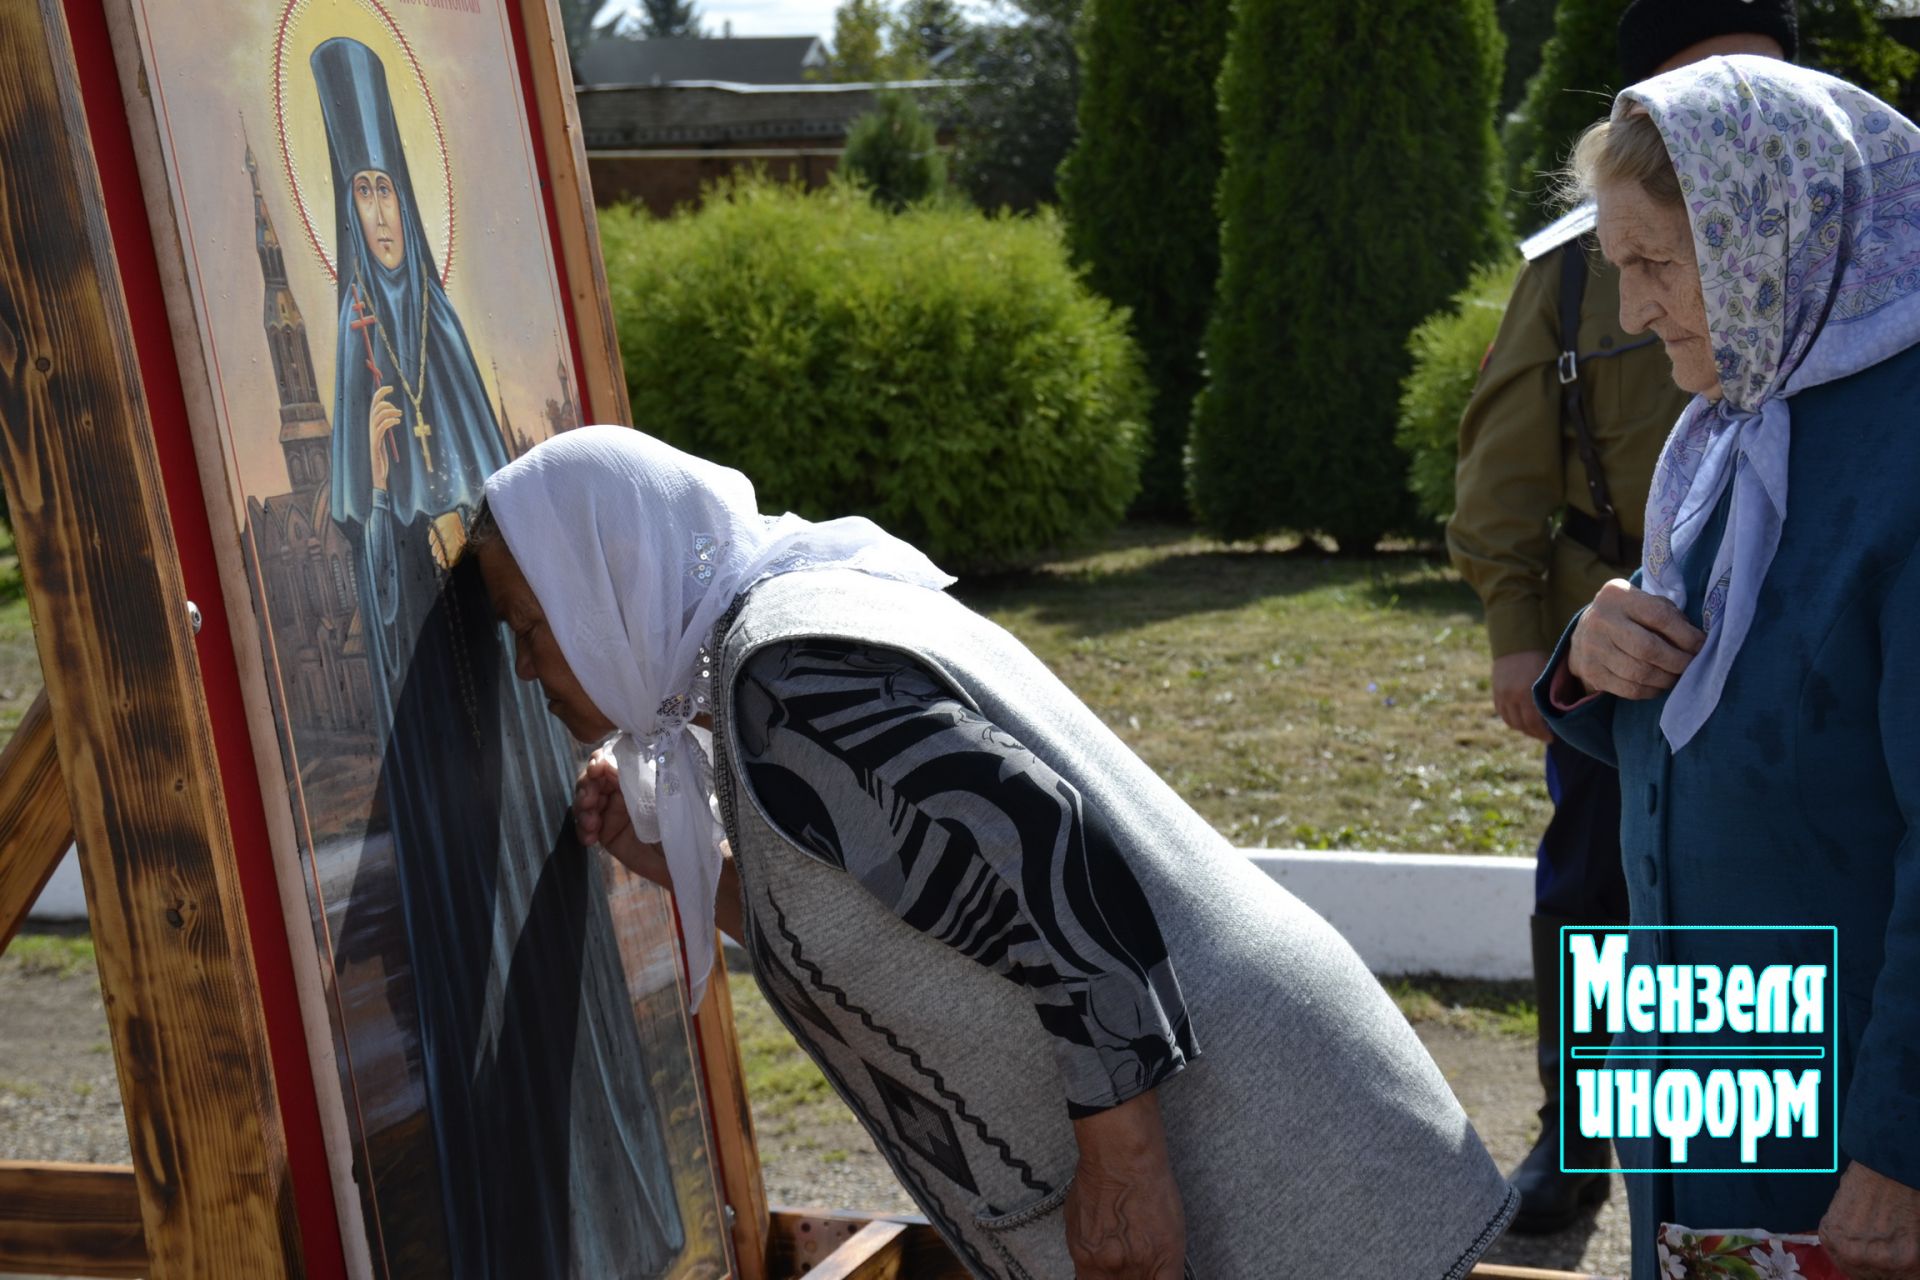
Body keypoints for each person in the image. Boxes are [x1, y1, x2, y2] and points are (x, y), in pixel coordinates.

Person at [472, 425, 1520, 1280]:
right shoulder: (786, 636)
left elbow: (1043, 860)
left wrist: (1123, 1164)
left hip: (1240, 1125)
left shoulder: (788, 677)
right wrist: (677, 866)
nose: (524, 666)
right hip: (1220, 1083)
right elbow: (905, 907)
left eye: (531, 623)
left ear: (601, 585)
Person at [1538, 56, 1920, 1280]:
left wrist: (1902, 1150)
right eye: (1620, 268)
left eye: (1659, 264)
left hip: (1848, 1129)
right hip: (1711, 1074)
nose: (1636, 311)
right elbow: (1701, 732)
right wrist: (1591, 656)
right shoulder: (1733, 424)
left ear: (1778, 230)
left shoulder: (1905, 454)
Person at [311, 38, 683, 1275]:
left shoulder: (446, 339)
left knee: (552, 965)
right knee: (467, 980)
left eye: (385, 191)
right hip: (431, 734)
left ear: (407, 201)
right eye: (352, 189)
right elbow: (366, 558)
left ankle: (609, 1228)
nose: (372, 214)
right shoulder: (357, 346)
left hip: (516, 728)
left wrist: (450, 519)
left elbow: (509, 532)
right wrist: (374, 488)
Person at [1448, 0, 1793, 1233]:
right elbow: (1505, 460)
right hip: (1627, 644)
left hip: (1795, 652)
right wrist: (1517, 630)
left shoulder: (1854, 246)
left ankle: (1729, 1182)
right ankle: (1589, 1137)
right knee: (1599, 895)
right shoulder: (1584, 264)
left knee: (1759, 916)